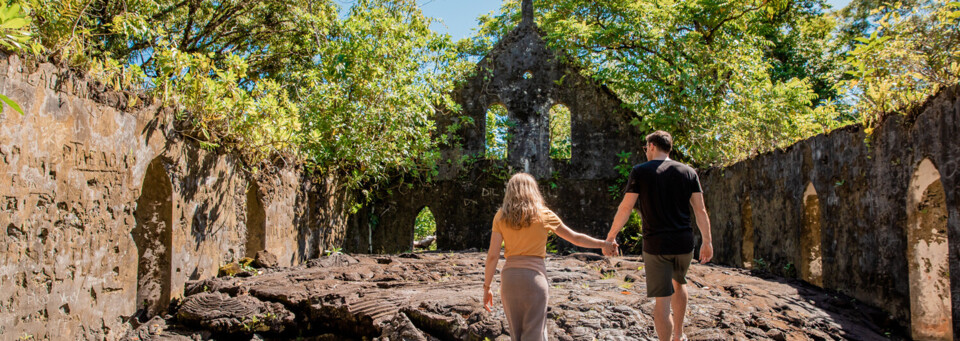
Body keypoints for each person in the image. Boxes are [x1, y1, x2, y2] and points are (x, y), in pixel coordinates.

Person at [604, 130, 713, 341]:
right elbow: (701, 211)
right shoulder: (688, 172)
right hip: (684, 242)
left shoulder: (640, 171)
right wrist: (707, 241)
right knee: (679, 283)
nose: (646, 152)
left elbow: (626, 208)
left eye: (646, 148)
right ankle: (679, 335)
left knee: (662, 300)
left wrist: (611, 236)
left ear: (652, 146)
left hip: (656, 244)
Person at [483, 173, 618, 341]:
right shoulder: (543, 214)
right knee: (535, 335)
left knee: (515, 335)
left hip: (509, 280)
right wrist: (603, 244)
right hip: (535, 279)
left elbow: (493, 255)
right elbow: (575, 237)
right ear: (533, 191)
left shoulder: (501, 216)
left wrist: (487, 287)